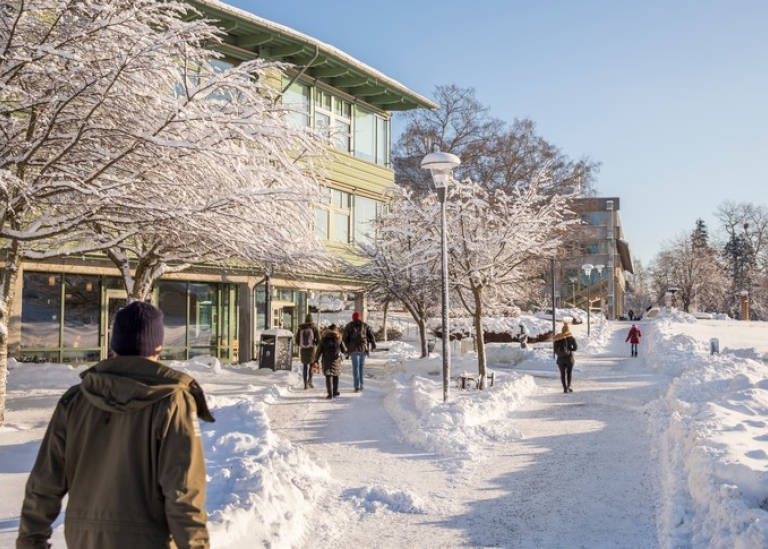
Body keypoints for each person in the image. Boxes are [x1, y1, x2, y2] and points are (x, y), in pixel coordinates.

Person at [17, 301, 214, 549]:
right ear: (159, 346)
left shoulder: (76, 399)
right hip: (149, 539)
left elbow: (44, 483)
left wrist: (30, 542)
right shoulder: (172, 401)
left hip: (83, 538)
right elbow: (183, 492)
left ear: (114, 345)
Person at [342, 311, 376, 392]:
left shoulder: (349, 326)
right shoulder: (365, 325)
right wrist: (373, 345)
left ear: (353, 318)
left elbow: (344, 339)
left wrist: (345, 349)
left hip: (353, 350)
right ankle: (361, 385)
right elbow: (371, 336)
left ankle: (357, 386)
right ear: (360, 317)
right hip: (363, 349)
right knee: (361, 368)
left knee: (356, 368)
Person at [315, 323, 346, 399]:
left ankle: (330, 394)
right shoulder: (339, 338)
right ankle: (335, 391)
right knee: (336, 374)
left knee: (328, 375)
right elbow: (344, 349)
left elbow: (319, 350)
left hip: (326, 359)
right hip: (336, 359)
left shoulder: (324, 338)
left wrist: (316, 359)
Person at [295, 313, 320, 389]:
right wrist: (315, 343)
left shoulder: (301, 328)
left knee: (305, 366)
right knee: (311, 366)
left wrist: (301, 345)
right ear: (312, 320)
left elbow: (296, 340)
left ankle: (305, 383)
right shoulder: (314, 328)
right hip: (312, 349)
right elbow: (319, 340)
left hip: (303, 350)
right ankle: (310, 380)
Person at [553, 321, 578, 393]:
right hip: (569, 358)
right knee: (569, 373)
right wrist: (570, 350)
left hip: (560, 359)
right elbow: (575, 348)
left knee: (562, 373)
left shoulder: (557, 338)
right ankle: (569, 386)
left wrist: (560, 353)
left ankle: (564, 388)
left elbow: (555, 350)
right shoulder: (571, 337)